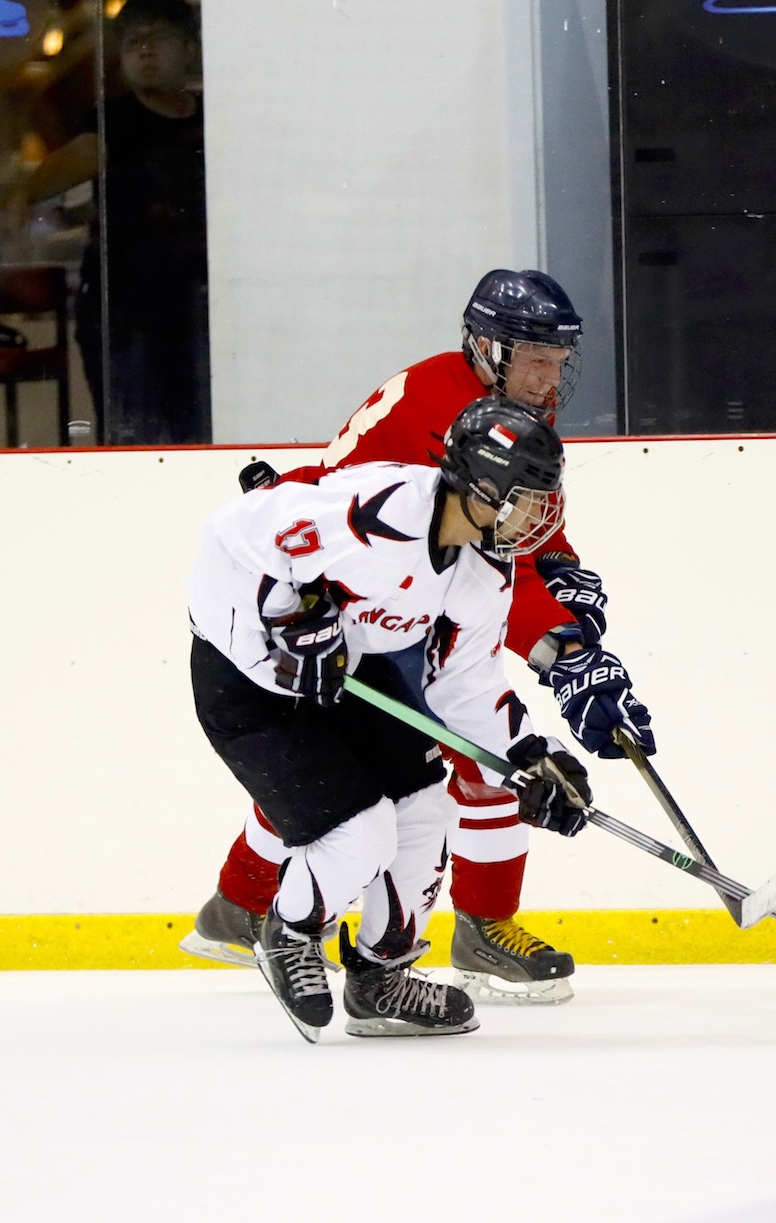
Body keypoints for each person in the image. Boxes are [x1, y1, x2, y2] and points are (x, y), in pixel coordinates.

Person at [179, 270, 654, 1005]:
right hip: (346, 595)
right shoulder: (438, 417)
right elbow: (432, 535)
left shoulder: (511, 411)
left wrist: (558, 584)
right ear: (488, 347)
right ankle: (285, 912)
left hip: (397, 593)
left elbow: (510, 530)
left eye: (558, 360)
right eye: (536, 358)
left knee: (440, 772)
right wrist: (556, 645)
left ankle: (303, 930)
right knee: (364, 784)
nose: (549, 376)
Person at [187, 398, 595, 1041]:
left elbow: (466, 684)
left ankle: (381, 980)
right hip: (247, 682)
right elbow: (231, 535)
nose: (535, 517)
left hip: (350, 674)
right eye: (524, 499)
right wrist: (282, 629)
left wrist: (526, 758)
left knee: (425, 811)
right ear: (481, 487)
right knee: (363, 831)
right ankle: (289, 931)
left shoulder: (485, 568)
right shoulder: (379, 510)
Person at [16, 0, 210, 443]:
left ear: (190, 50)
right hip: (124, 313)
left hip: (196, 308)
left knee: (202, 436)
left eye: (158, 39)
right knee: (135, 438)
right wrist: (20, 203)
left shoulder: (213, 122)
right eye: (132, 42)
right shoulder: (111, 123)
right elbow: (55, 175)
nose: (145, 52)